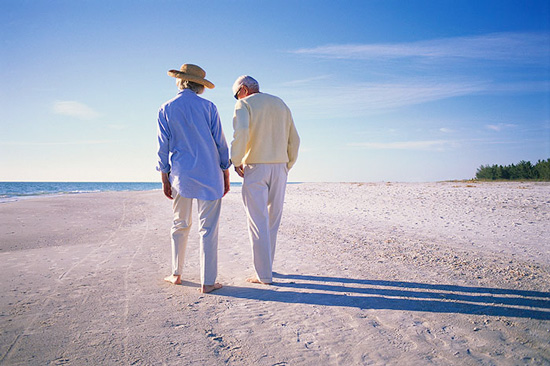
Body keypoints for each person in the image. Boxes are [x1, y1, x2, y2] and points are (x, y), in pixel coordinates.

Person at [157, 64, 231, 293]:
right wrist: (226, 171)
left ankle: (176, 274)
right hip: (210, 174)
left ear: (180, 81)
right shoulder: (209, 107)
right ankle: (208, 282)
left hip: (182, 175)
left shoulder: (166, 108)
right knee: (208, 229)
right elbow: (220, 142)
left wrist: (164, 176)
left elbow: (163, 147)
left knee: (180, 224)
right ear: (200, 85)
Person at [231, 75, 300, 285]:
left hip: (256, 166)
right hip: (280, 167)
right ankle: (267, 267)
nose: (236, 99)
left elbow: (241, 132)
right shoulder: (280, 103)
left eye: (235, 95)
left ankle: (263, 275)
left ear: (243, 89)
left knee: (257, 220)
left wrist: (236, 160)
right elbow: (294, 139)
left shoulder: (244, 104)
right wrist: (287, 164)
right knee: (273, 220)